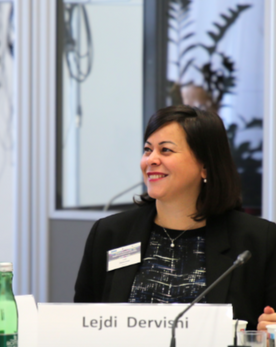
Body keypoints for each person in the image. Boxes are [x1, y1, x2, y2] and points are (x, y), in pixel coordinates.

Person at [74, 105, 276, 328]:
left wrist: (269, 332)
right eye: (148, 149)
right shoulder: (110, 234)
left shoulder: (258, 241)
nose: (151, 159)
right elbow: (83, 323)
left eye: (165, 150)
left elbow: (269, 328)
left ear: (205, 166)